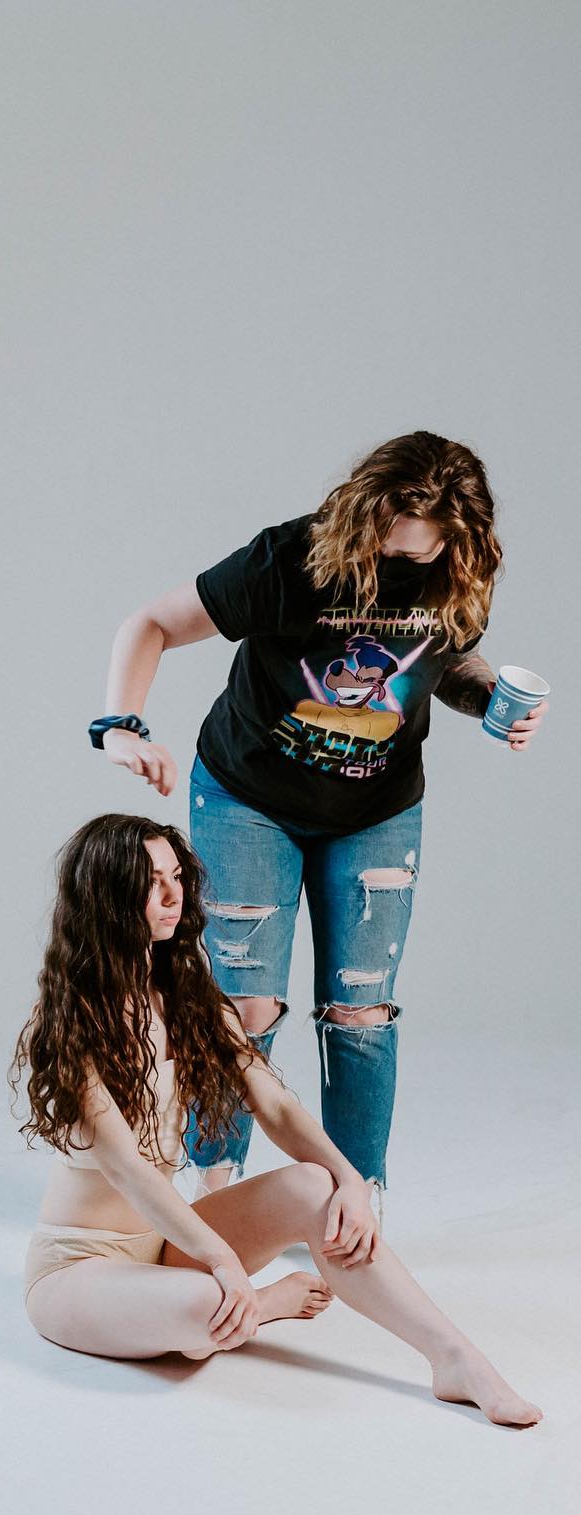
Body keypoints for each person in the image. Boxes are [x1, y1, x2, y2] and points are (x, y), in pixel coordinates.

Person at [93, 430, 548, 1201]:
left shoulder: (461, 574)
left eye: (410, 556)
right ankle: (215, 1189)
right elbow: (153, 622)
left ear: (455, 542)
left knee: (361, 1012)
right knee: (244, 1006)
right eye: (379, 542)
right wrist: (120, 726)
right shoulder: (290, 559)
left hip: (376, 812)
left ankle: (355, 1203)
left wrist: (489, 700)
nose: (388, 563)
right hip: (248, 798)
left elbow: (445, 660)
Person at [11, 814, 540, 1428]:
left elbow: (278, 1106)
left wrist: (350, 1181)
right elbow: (130, 1172)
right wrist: (225, 1263)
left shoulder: (189, 1001)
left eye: (177, 877)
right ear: (107, 894)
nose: (173, 895)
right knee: (206, 1302)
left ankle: (455, 1359)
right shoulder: (71, 1021)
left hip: (165, 1246)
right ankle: (261, 1306)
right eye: (152, 882)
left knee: (316, 1186)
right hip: (78, 1270)